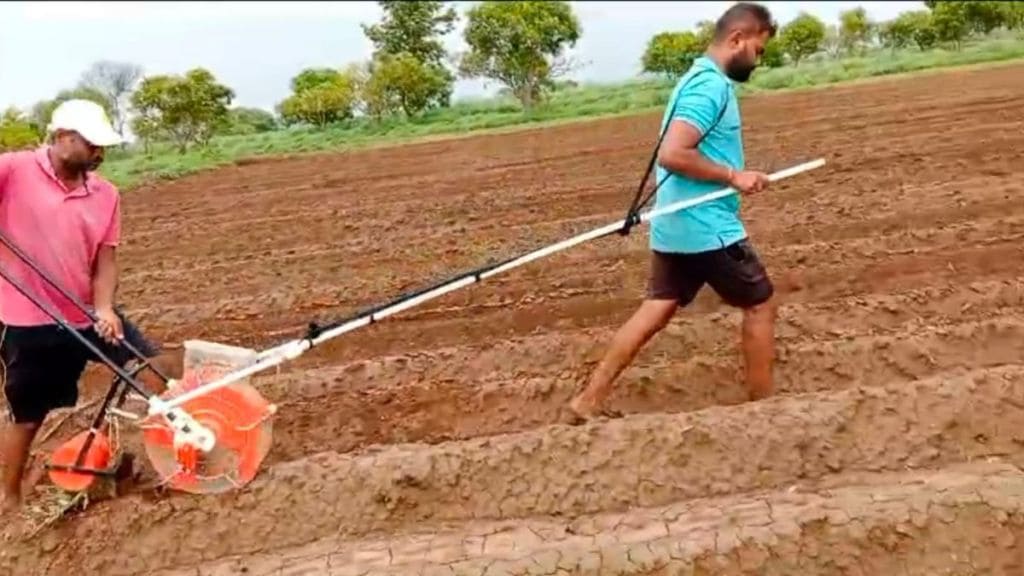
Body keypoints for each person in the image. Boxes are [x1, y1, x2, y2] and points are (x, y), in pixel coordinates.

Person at [569, 3, 779, 421]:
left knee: (658, 306)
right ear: (736, 40)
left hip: (676, 224)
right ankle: (766, 412)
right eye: (758, 50)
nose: (758, 61)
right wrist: (733, 176)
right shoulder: (710, 88)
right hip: (708, 227)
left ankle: (587, 401)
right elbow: (673, 153)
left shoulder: (694, 78)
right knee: (761, 305)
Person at [0, 99, 176, 511]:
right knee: (28, 414)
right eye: (93, 144)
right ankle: (8, 495)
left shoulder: (105, 194)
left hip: (86, 313)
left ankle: (182, 456)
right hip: (26, 319)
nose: (101, 153)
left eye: (104, 146)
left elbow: (105, 262)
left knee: (156, 370)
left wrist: (105, 309)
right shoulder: (13, 170)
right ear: (62, 138)